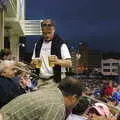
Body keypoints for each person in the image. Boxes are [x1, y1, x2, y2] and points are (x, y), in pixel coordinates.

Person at [31, 19, 72, 88]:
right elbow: (32, 64)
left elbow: (69, 63)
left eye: (49, 33)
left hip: (55, 81)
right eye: (44, 33)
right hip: (41, 81)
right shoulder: (37, 44)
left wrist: (58, 61)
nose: (47, 35)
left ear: (54, 30)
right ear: (42, 31)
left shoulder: (60, 43)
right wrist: (33, 63)